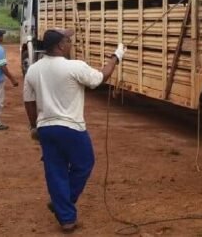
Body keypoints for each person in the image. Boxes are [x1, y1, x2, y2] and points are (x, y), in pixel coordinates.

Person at [23, 28, 125, 234]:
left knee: (55, 170)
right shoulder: (74, 66)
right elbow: (100, 78)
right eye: (68, 41)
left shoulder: (33, 70)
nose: (71, 44)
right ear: (60, 45)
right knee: (84, 164)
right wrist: (116, 57)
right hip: (72, 128)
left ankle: (66, 216)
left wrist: (34, 126)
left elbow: (29, 101)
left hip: (46, 129)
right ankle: (65, 203)